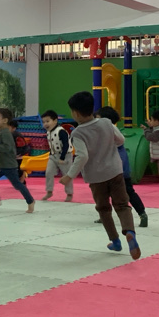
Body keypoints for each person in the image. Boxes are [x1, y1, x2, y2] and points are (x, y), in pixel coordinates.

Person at [61, 91, 141, 260]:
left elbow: (82, 156)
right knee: (122, 205)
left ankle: (115, 241)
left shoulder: (77, 133)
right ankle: (130, 232)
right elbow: (121, 140)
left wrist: (69, 175)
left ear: (75, 113)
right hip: (115, 171)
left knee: (104, 209)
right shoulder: (106, 122)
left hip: (96, 177)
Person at [98, 107, 147, 227]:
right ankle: (105, 215)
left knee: (125, 191)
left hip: (116, 166)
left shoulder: (110, 129)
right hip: (113, 165)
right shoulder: (107, 129)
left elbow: (120, 141)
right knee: (105, 192)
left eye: (98, 118)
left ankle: (141, 213)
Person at [0, 108, 35, 213]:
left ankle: (30, 201)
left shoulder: (6, 133)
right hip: (0, 164)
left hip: (8, 165)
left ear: (5, 120)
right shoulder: (1, 132)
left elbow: (8, 148)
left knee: (17, 185)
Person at [41, 110, 73, 202]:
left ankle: (69, 193)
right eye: (44, 122)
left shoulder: (61, 131)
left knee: (67, 174)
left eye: (47, 121)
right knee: (49, 172)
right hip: (53, 155)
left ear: (55, 121)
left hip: (65, 155)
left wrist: (62, 157)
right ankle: (49, 191)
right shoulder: (48, 132)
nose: (45, 124)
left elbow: (66, 145)